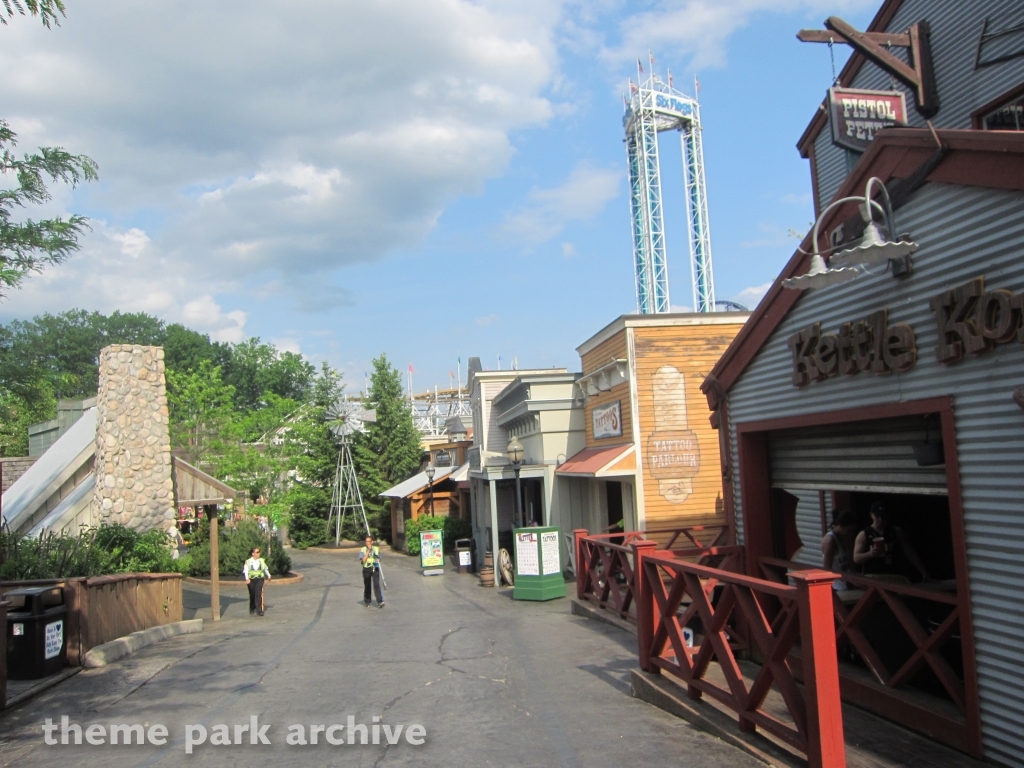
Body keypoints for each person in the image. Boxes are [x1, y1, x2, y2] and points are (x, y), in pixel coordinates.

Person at [853, 501, 930, 581]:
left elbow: (910, 553)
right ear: (871, 515)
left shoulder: (896, 531)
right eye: (878, 516)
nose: (880, 520)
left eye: (883, 517)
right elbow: (856, 558)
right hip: (873, 575)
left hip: (893, 574)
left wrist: (924, 572)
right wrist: (870, 554)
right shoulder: (864, 534)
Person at [821, 510, 858, 589]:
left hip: (848, 583)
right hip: (837, 586)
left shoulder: (844, 537)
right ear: (841, 525)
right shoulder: (830, 541)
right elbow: (827, 569)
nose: (850, 533)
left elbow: (850, 562)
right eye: (849, 530)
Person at [244, 547, 271, 616]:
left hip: (259, 579)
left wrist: (268, 575)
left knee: (258, 594)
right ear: (253, 554)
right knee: (252, 594)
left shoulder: (261, 561)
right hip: (251, 579)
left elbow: (265, 568)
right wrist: (247, 578)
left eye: (259, 552)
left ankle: (259, 610)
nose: (259, 553)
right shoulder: (248, 562)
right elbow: (246, 571)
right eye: (257, 552)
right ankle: (252, 607)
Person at [360, 536, 384, 608]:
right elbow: (363, 560)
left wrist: (378, 560)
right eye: (366, 541)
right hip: (366, 568)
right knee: (367, 585)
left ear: (372, 542)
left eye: (369, 541)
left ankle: (380, 601)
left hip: (374, 568)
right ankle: (367, 601)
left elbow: (379, 558)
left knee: (376, 584)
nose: (367, 543)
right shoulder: (363, 549)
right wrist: (368, 551)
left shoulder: (376, 549)